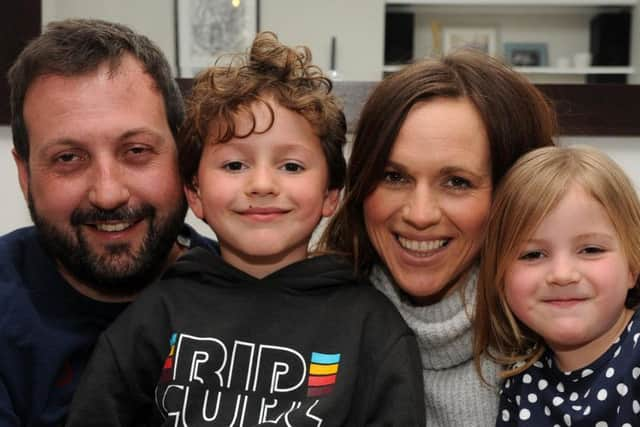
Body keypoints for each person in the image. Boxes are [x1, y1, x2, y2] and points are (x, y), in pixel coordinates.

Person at [66, 32, 425, 426]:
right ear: (196, 193)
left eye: (291, 166)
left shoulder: (371, 329)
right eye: (235, 165)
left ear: (330, 194)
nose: (262, 185)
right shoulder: (157, 314)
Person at [319, 50, 558, 425]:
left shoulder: (569, 337)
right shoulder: (319, 325)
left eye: (457, 182)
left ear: (515, 195)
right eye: (394, 176)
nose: (420, 214)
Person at [1, 19, 215, 426]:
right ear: (25, 173)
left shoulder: (255, 297)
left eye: (136, 150)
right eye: (68, 158)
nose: (108, 193)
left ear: (182, 153)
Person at [474, 146, 640, 426]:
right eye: (533, 255)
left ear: (633, 267)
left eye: (590, 249)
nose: (562, 275)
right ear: (499, 277)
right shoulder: (520, 375)